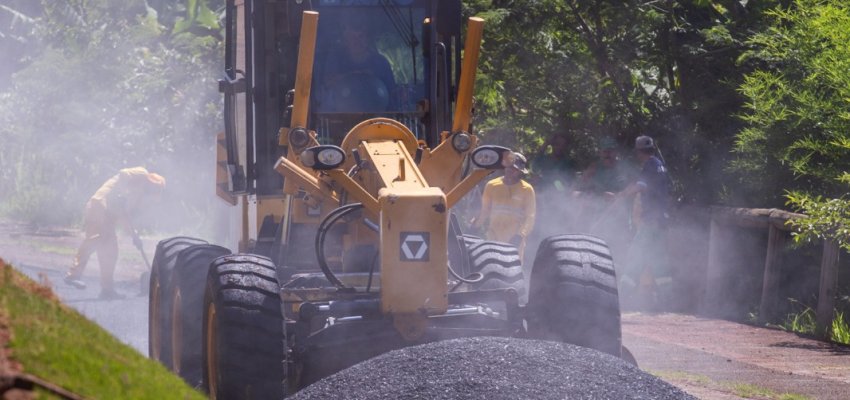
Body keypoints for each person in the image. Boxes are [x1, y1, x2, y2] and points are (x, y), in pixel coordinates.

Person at [64, 167, 166, 300]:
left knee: (110, 252)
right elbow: (124, 173)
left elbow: (123, 216)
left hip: (108, 217)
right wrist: (121, 193)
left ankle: (107, 290)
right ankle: (73, 275)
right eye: (154, 189)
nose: (152, 192)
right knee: (94, 239)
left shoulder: (137, 196)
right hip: (99, 205)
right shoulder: (142, 173)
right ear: (151, 184)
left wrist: (134, 236)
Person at [617, 135, 671, 310]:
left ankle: (622, 299)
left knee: (636, 254)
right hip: (661, 220)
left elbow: (640, 186)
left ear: (639, 152)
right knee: (659, 260)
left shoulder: (649, 165)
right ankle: (668, 300)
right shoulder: (660, 165)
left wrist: (622, 195)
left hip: (651, 221)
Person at [317, 21, 396, 113]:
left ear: (368, 39)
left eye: (361, 36)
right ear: (345, 40)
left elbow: (392, 92)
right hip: (336, 116)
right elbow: (328, 83)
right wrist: (353, 76)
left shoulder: (381, 63)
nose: (357, 41)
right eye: (352, 37)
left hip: (377, 116)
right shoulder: (336, 60)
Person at [471, 152, 536, 258]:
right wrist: (475, 226)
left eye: (514, 169)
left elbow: (530, 217)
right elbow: (484, 210)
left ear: (520, 171)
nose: (511, 170)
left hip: (515, 241)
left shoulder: (527, 190)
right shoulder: (492, 185)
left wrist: (520, 235)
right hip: (493, 238)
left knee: (513, 266)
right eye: (509, 167)